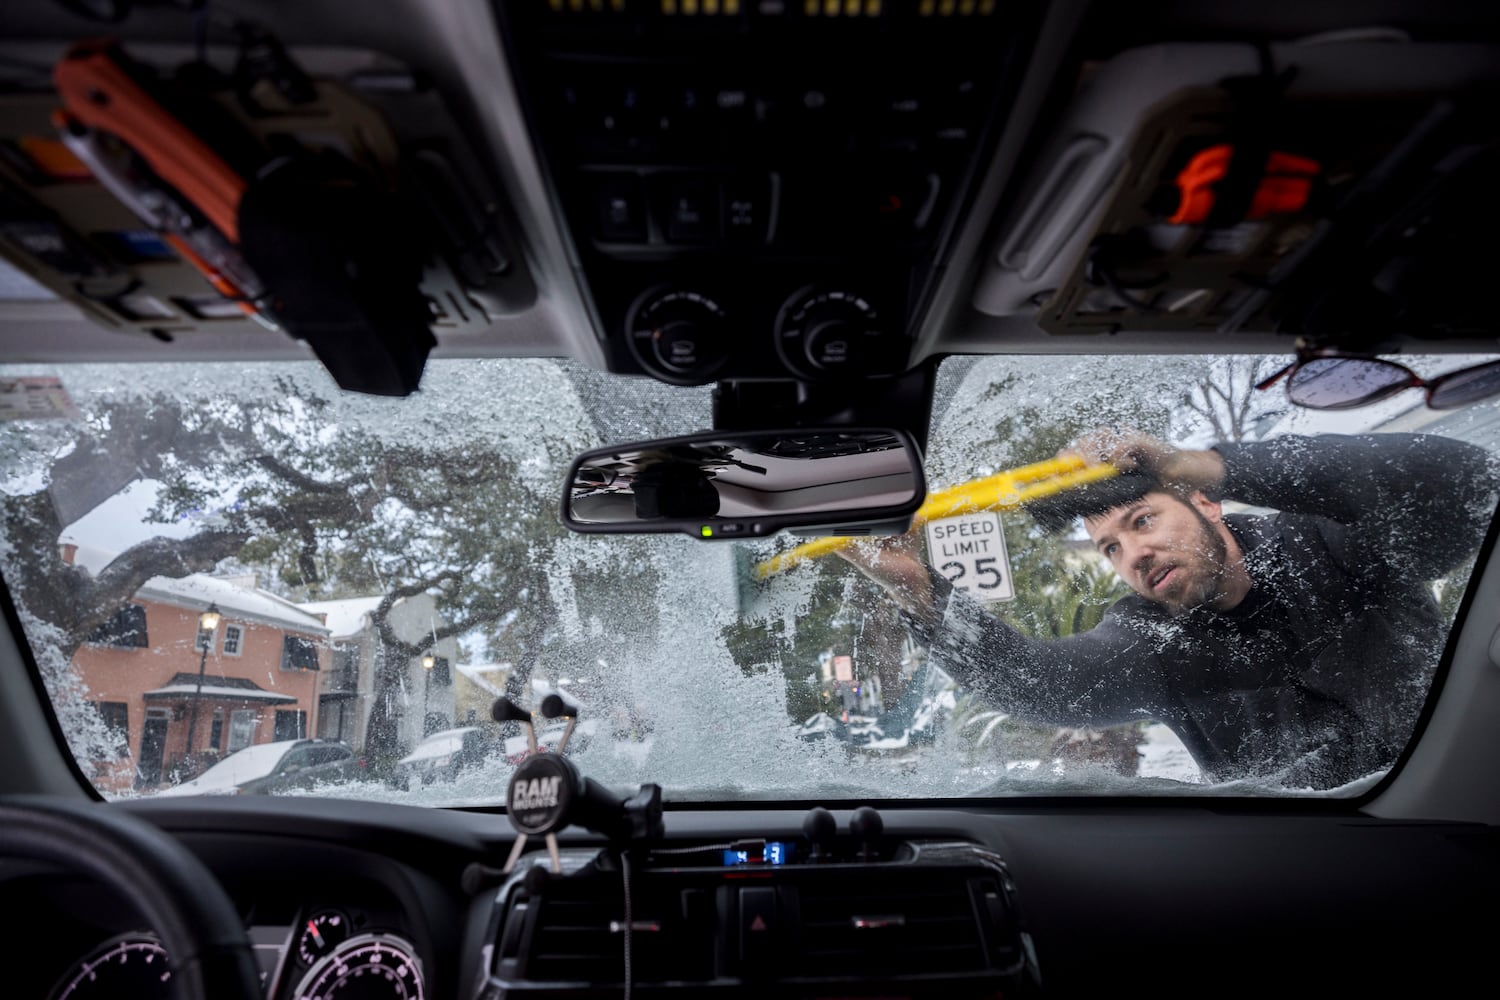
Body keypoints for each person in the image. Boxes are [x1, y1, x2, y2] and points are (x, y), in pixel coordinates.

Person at [838, 429, 1497, 788]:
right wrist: (915, 587)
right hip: (1292, 867)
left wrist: (1201, 461)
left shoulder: (1333, 546)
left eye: (1144, 518)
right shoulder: (1153, 640)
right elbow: (1039, 684)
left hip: (1453, 804)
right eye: (1110, 547)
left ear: (1204, 502)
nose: (1134, 553)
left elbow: (1467, 485)